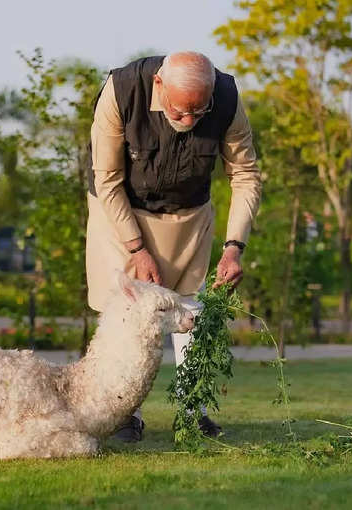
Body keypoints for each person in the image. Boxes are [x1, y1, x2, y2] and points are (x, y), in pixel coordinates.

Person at [86, 52, 262, 441]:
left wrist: (234, 247)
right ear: (160, 85)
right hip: (119, 208)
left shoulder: (228, 99)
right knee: (126, 313)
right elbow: (107, 178)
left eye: (200, 113)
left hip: (187, 213)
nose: (189, 122)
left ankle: (192, 409)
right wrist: (136, 248)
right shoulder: (121, 90)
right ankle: (123, 413)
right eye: (181, 112)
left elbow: (245, 175)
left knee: (191, 310)